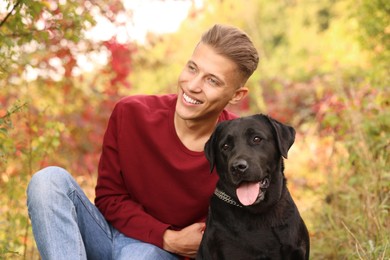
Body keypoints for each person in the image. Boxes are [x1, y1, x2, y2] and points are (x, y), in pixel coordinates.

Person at [27, 24, 259, 260]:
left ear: (236, 95)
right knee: (48, 182)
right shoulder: (131, 113)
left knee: (140, 255)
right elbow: (108, 199)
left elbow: (235, 231)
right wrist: (166, 237)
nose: (193, 85)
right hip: (108, 236)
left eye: (212, 81)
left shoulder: (245, 149)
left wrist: (173, 245)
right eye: (192, 68)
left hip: (162, 256)